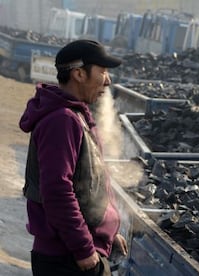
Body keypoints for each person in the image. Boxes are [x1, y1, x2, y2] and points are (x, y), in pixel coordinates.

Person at [19, 39, 128, 276]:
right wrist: (83, 248)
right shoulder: (62, 121)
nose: (107, 80)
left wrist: (107, 234)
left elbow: (89, 182)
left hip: (78, 251)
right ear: (79, 74)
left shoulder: (75, 115)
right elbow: (58, 190)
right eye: (102, 71)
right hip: (68, 258)